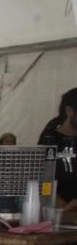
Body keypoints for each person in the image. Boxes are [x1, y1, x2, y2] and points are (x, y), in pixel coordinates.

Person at [39, 88, 77, 218]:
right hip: (55, 213)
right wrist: (61, 205)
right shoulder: (49, 139)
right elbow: (42, 175)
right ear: (70, 111)